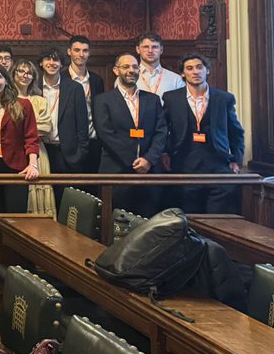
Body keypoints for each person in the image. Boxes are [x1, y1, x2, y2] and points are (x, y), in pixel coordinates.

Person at [163, 53, 245, 213]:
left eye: (199, 67)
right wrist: (164, 152)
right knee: (190, 220)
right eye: (190, 68)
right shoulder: (172, 98)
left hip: (218, 166)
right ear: (182, 73)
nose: (195, 72)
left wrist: (237, 160)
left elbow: (236, 132)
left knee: (219, 220)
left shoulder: (224, 98)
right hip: (184, 165)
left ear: (207, 70)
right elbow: (163, 129)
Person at [94, 54, 167, 217]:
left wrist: (148, 160)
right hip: (116, 172)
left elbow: (161, 132)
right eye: (126, 67)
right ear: (116, 70)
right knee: (116, 225)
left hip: (149, 173)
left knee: (149, 226)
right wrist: (133, 160)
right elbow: (105, 133)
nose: (131, 70)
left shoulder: (153, 100)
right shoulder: (102, 100)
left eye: (135, 67)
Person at [0, 66, 40, 234]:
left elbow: (31, 137)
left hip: (15, 168)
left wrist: (33, 164)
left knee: (15, 221)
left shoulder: (23, 105)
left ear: (6, 79)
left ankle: (15, 259)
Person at [38, 49, 91, 187]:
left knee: (67, 200)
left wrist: (80, 154)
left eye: (56, 60)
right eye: (47, 59)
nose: (51, 63)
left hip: (67, 153)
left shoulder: (74, 88)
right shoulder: (34, 87)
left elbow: (82, 123)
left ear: (61, 64)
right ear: (41, 63)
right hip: (40, 151)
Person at [13, 60, 56, 219]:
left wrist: (21, 129)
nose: (25, 75)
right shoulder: (8, 99)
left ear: (33, 76)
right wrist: (28, 128)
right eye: (21, 71)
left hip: (38, 152)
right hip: (15, 152)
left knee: (40, 191)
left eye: (29, 72)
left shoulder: (39, 100)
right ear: (13, 74)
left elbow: (46, 127)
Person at [67, 35, 105, 171]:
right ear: (69, 52)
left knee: (92, 187)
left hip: (93, 140)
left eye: (85, 50)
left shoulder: (96, 80)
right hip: (69, 142)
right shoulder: (61, 78)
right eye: (77, 50)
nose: (81, 54)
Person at [136, 31, 185, 98]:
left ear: (161, 50)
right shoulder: (127, 78)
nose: (150, 51)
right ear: (138, 49)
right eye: (146, 47)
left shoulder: (176, 80)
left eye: (154, 47)